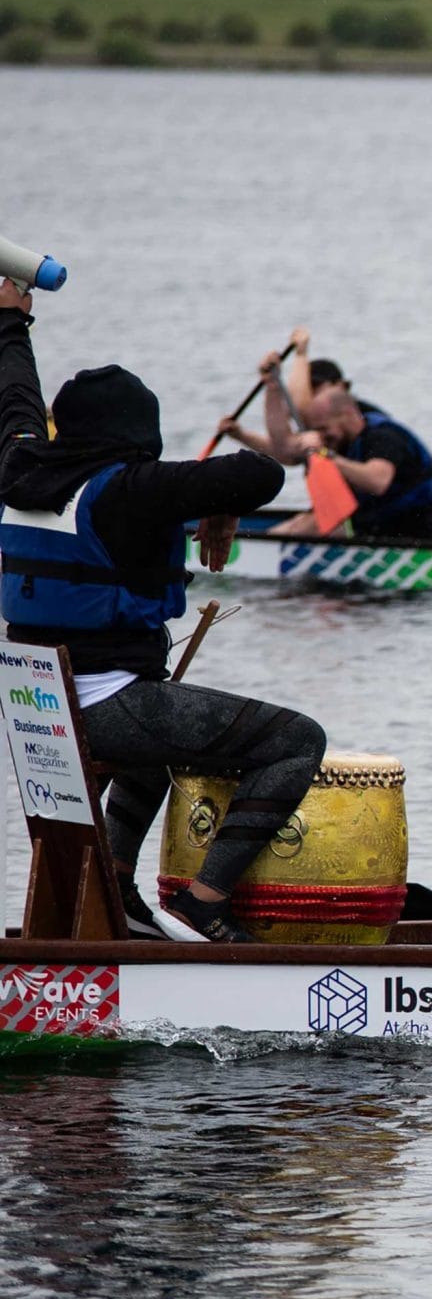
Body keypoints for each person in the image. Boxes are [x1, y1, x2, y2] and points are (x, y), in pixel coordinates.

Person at [0, 275, 325, 942]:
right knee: (297, 741)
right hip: (106, 704)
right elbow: (263, 472)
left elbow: (14, 398)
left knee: (160, 737)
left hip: (37, 706)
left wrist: (10, 326)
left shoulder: (18, 467)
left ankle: (116, 891)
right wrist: (220, 501)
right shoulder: (128, 488)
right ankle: (205, 902)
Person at [256, 383, 432, 543]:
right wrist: (272, 387)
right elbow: (284, 447)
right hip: (378, 529)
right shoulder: (339, 440)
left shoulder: (384, 437)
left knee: (315, 525)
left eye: (324, 428)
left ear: (347, 415)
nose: (321, 435)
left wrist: (325, 454)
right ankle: (262, 545)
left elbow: (377, 482)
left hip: (422, 533)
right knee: (303, 524)